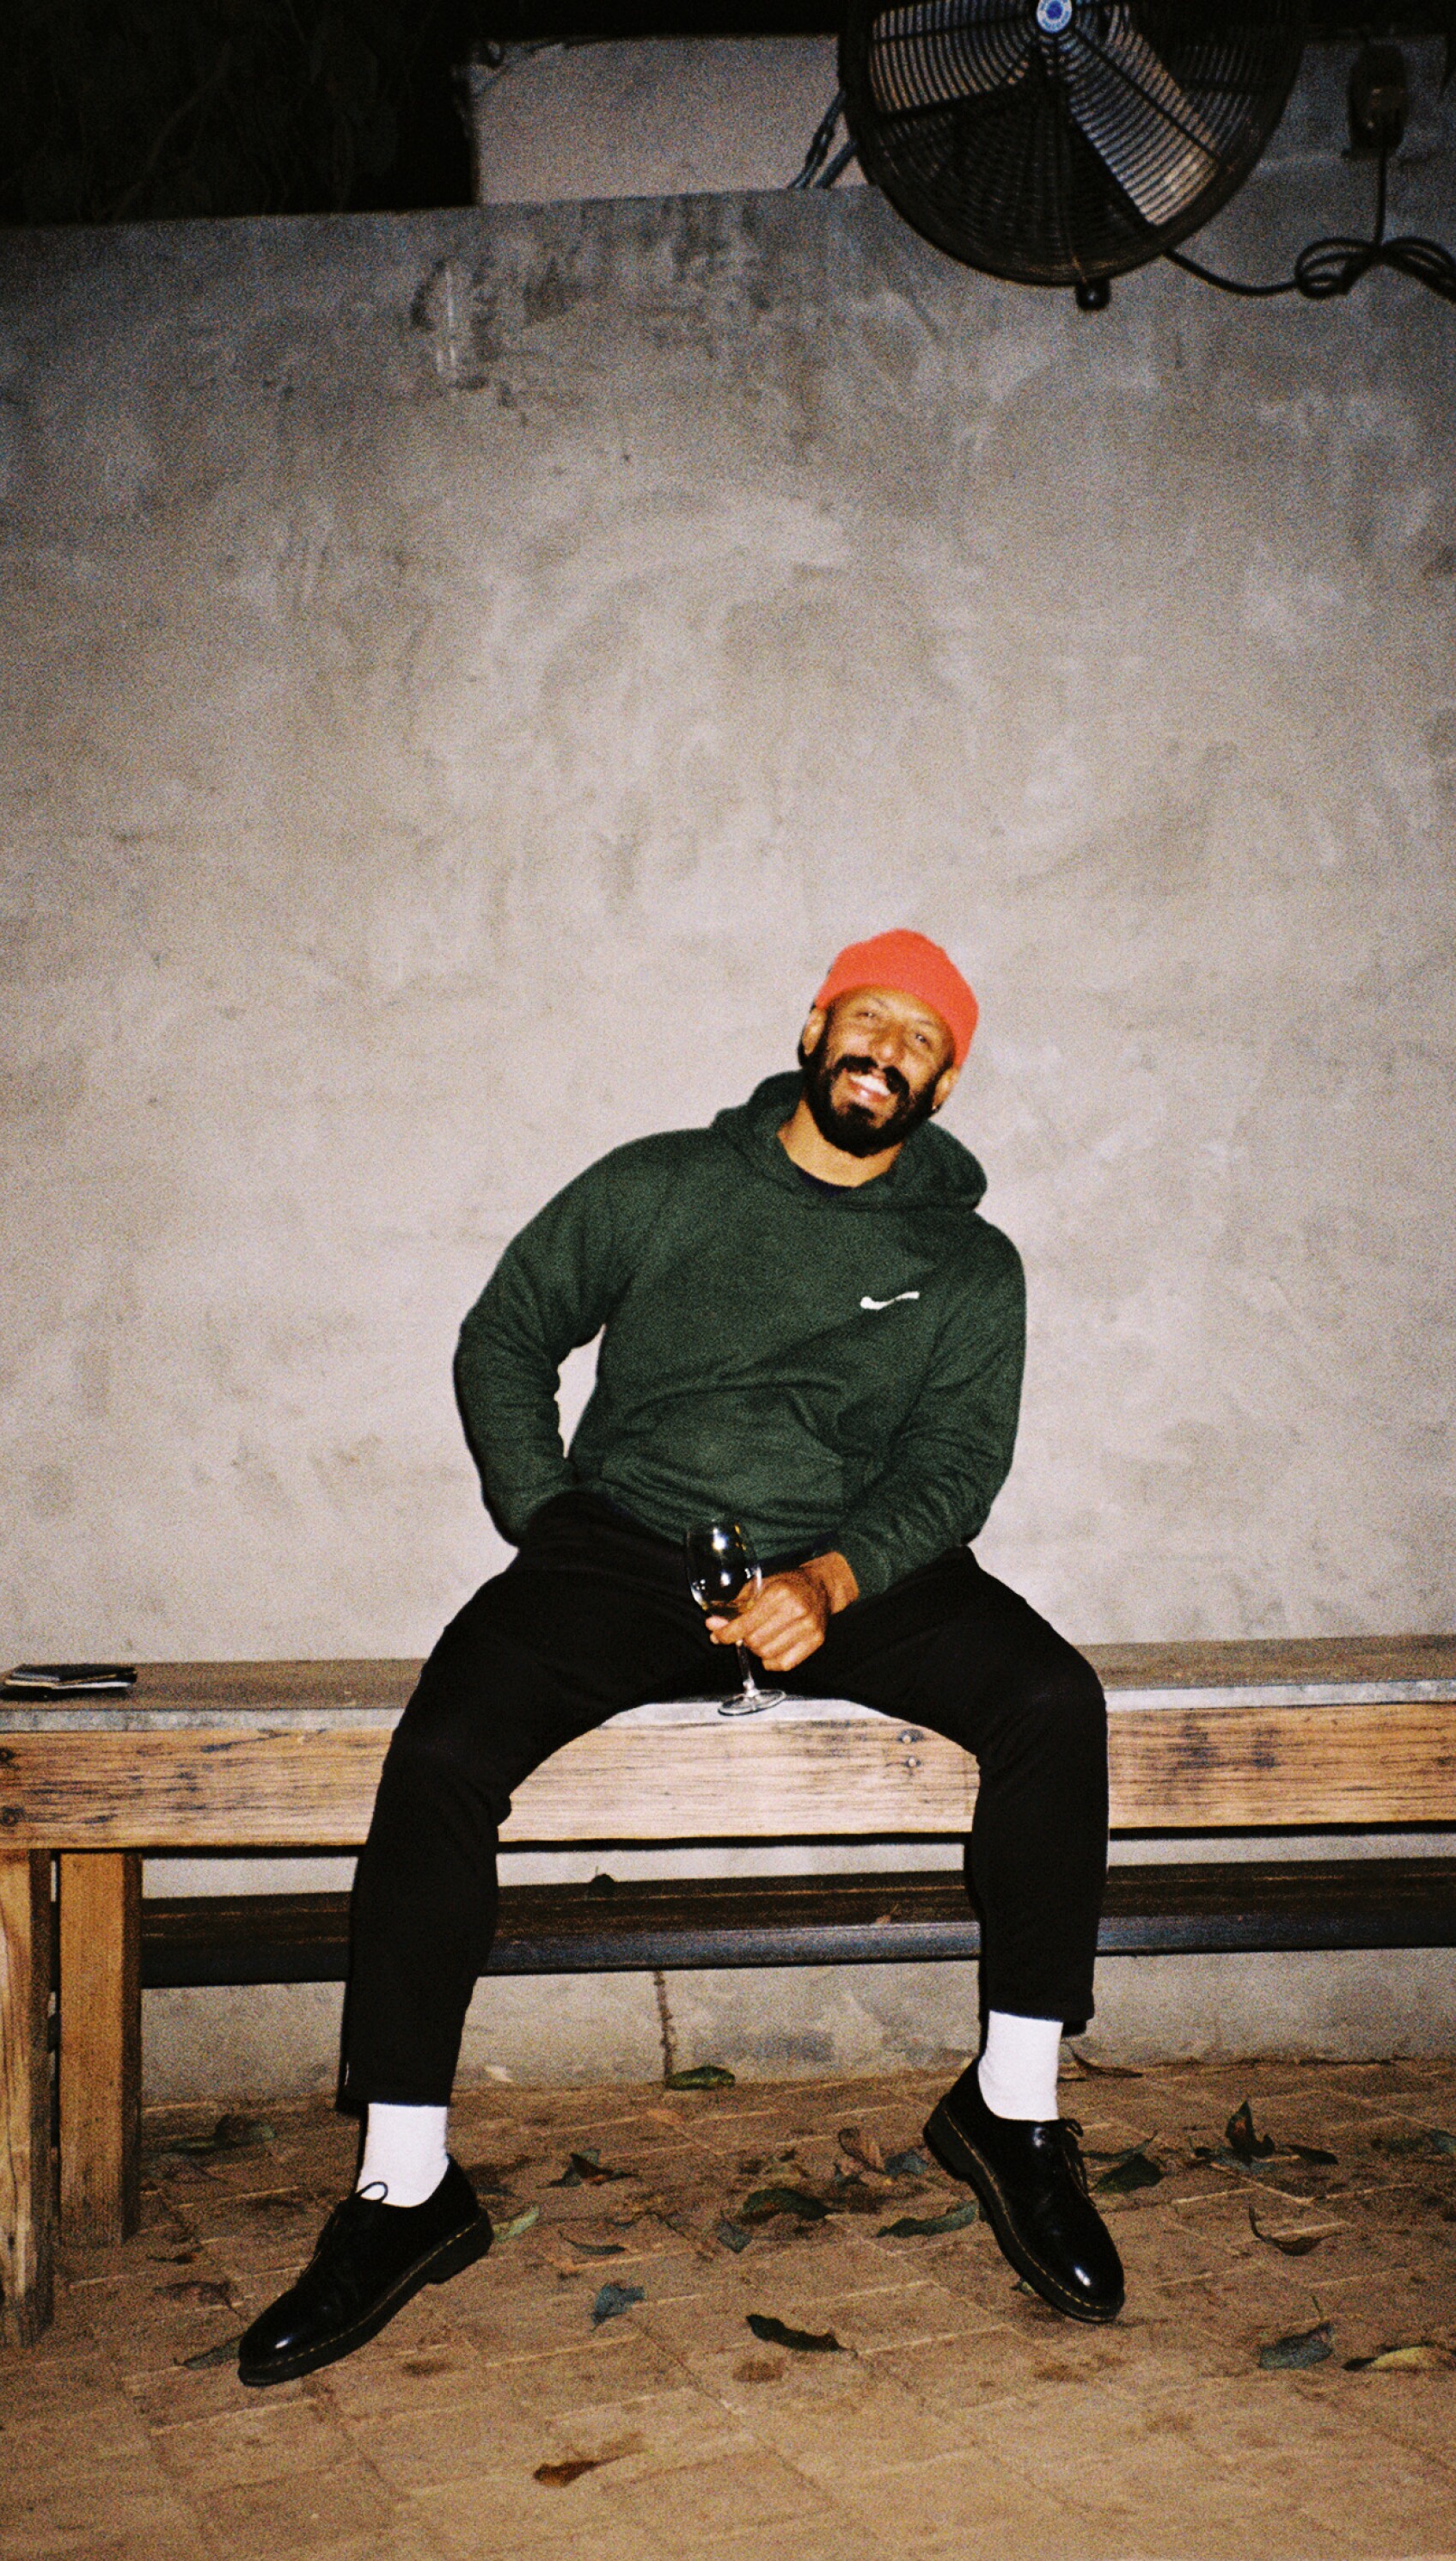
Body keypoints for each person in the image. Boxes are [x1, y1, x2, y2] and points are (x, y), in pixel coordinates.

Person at [238, 930, 1120, 2386]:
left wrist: (832, 1580)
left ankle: (1011, 2110)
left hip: (849, 1564)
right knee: (444, 1754)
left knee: (1052, 1702)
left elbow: (957, 1462)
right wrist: (547, 1514)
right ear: (813, 1022)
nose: (885, 1047)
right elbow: (508, 1331)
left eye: (920, 1038)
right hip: (628, 1550)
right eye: (867, 1016)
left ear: (945, 1081)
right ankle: (405, 2186)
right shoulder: (662, 1182)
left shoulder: (969, 1264)